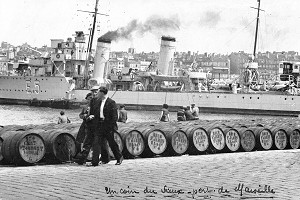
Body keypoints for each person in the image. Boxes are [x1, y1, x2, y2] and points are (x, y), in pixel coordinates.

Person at [88, 86, 123, 166]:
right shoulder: (97, 101)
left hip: (108, 125)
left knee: (111, 143)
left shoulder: (111, 102)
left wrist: (110, 126)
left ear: (102, 93)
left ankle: (119, 157)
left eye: (98, 92)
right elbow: (95, 112)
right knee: (96, 143)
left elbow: (114, 116)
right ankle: (95, 161)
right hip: (99, 124)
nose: (97, 93)